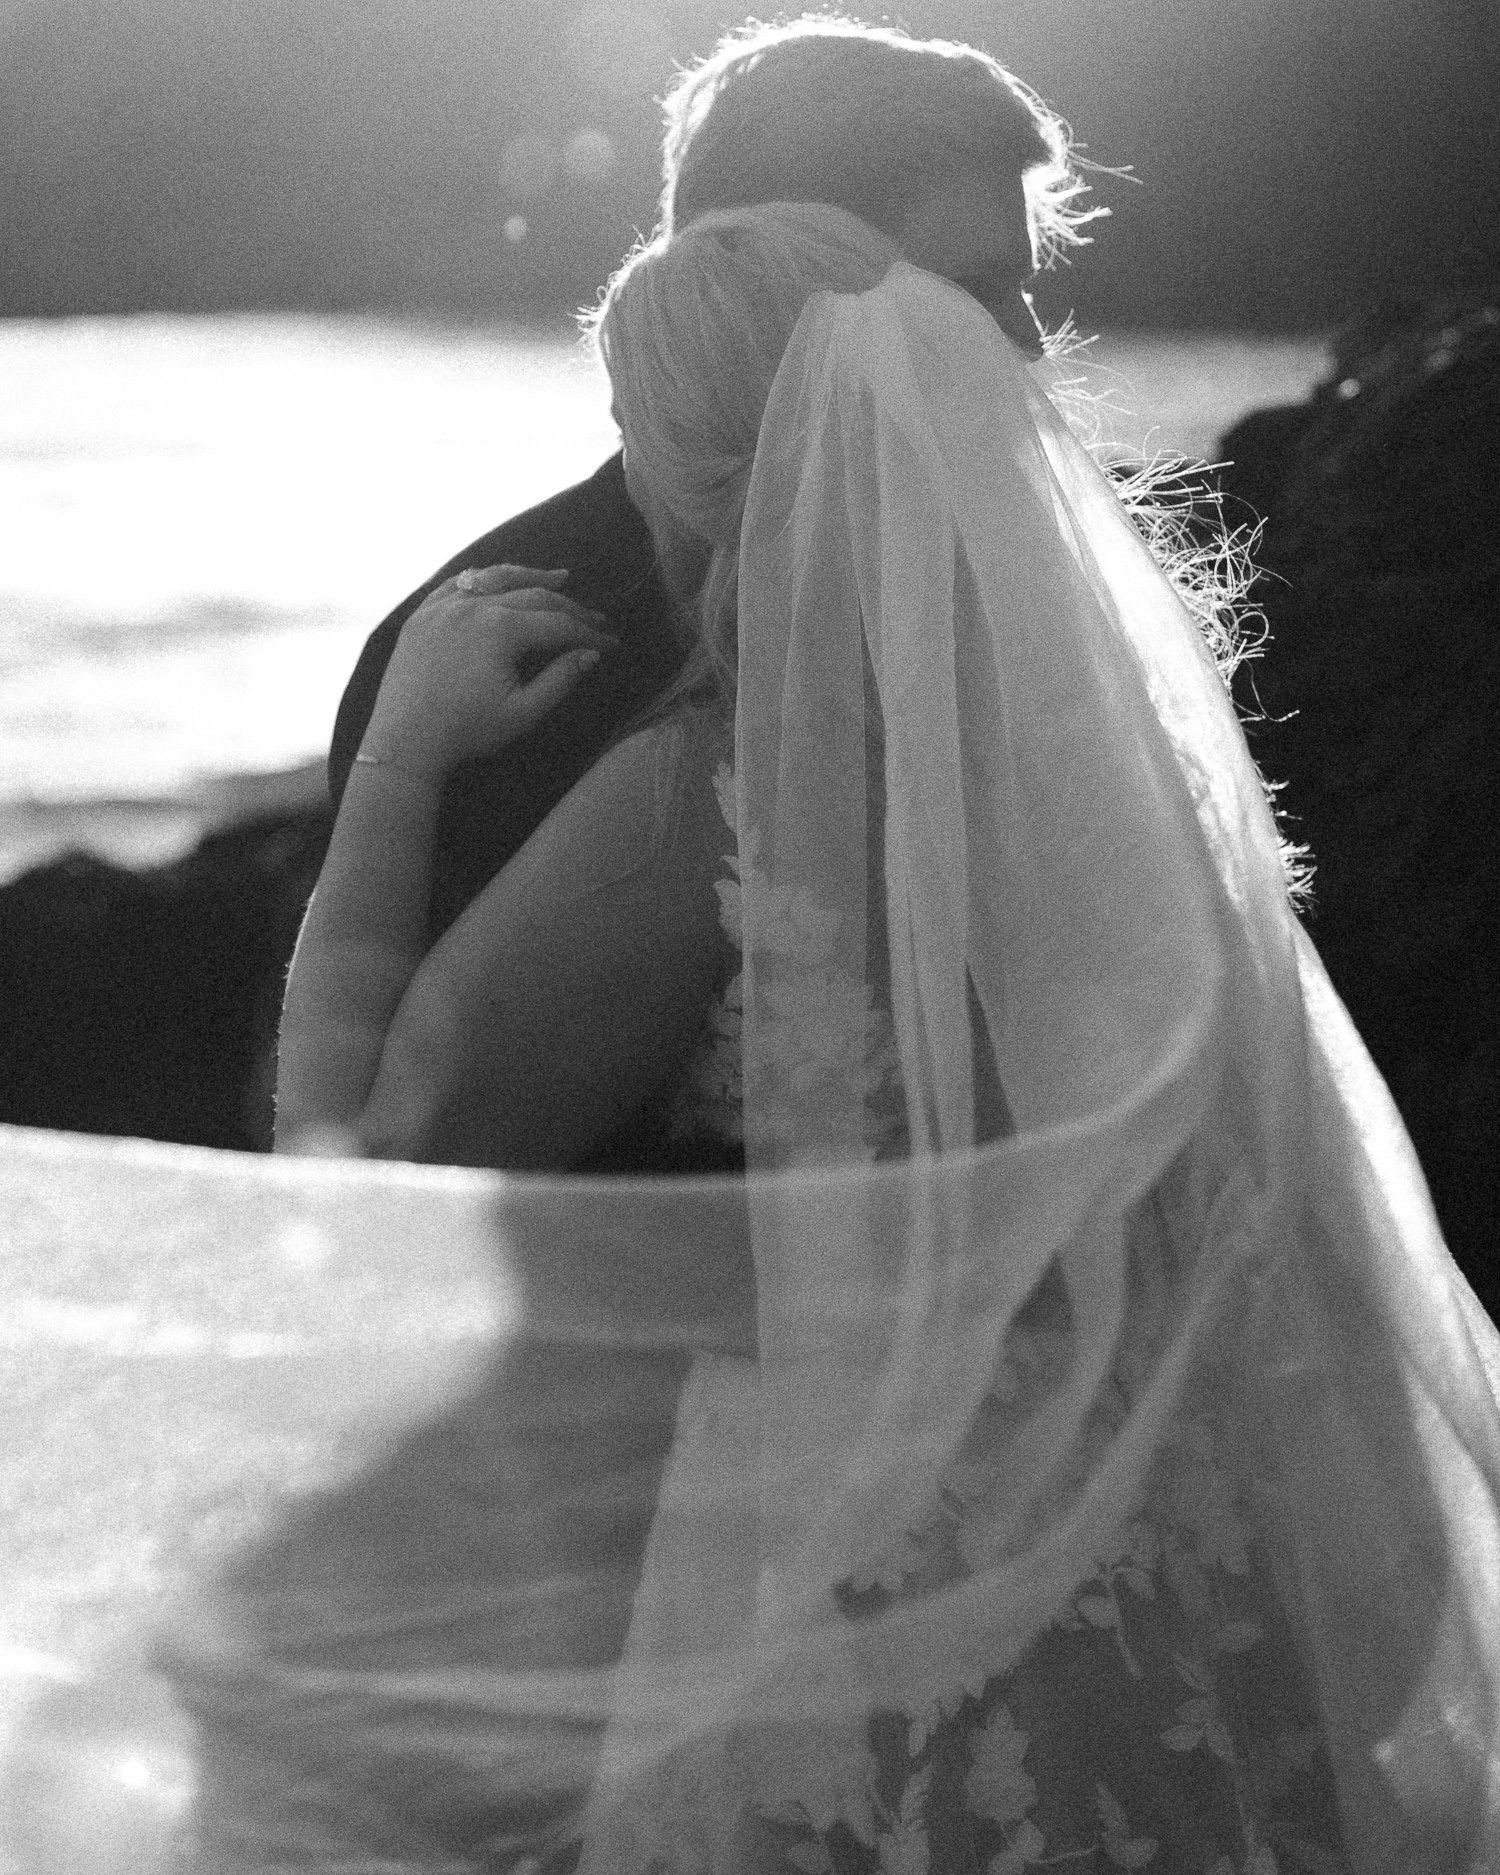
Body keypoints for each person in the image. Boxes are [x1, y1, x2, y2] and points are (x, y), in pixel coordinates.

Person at [175, 25, 1500, 1875]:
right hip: (995, 1575)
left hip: (813, 1605)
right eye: (970, 295)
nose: (1019, 357)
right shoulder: (1005, 694)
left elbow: (352, 1180)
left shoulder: (671, 725)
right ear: (812, 306)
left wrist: (405, 764)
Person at [321, 14, 1086, 976]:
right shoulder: (494, 659)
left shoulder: (1001, 583)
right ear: (788, 274)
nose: (1030, 343)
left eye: (1025, 286)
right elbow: (373, 1113)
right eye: (974, 292)